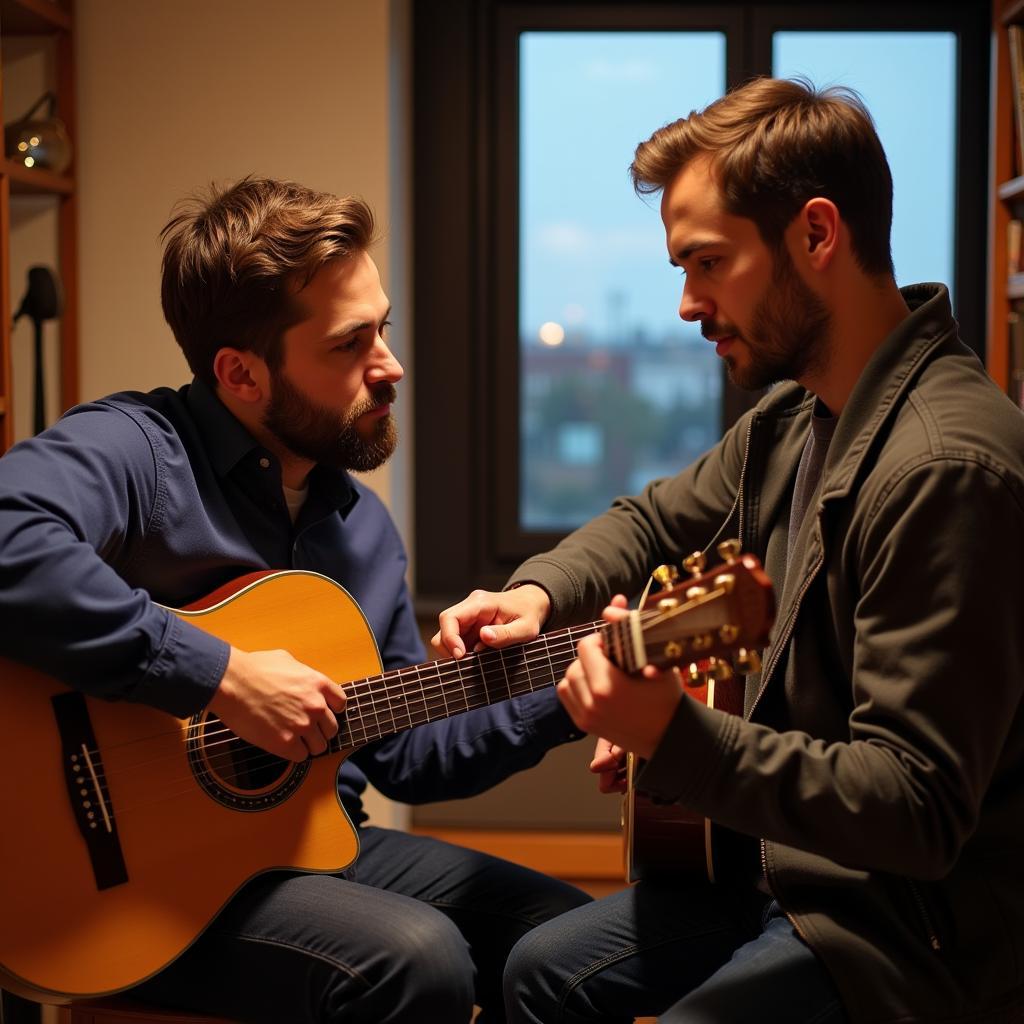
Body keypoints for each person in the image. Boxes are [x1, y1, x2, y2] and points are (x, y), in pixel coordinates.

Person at [435, 77, 1024, 1023]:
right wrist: (539, 593)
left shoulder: (945, 467)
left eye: (707, 263)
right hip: (782, 873)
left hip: (904, 934)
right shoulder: (795, 418)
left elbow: (915, 808)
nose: (684, 303)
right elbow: (650, 522)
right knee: (538, 972)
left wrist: (675, 737)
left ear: (817, 236)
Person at [0, 177, 590, 1023]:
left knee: (565, 945)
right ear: (241, 373)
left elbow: (410, 753)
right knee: (416, 959)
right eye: (351, 345)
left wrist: (573, 690)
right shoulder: (137, 452)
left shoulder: (358, 525)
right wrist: (221, 676)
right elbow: (8, 539)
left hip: (307, 850)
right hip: (112, 886)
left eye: (383, 329)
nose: (389, 366)